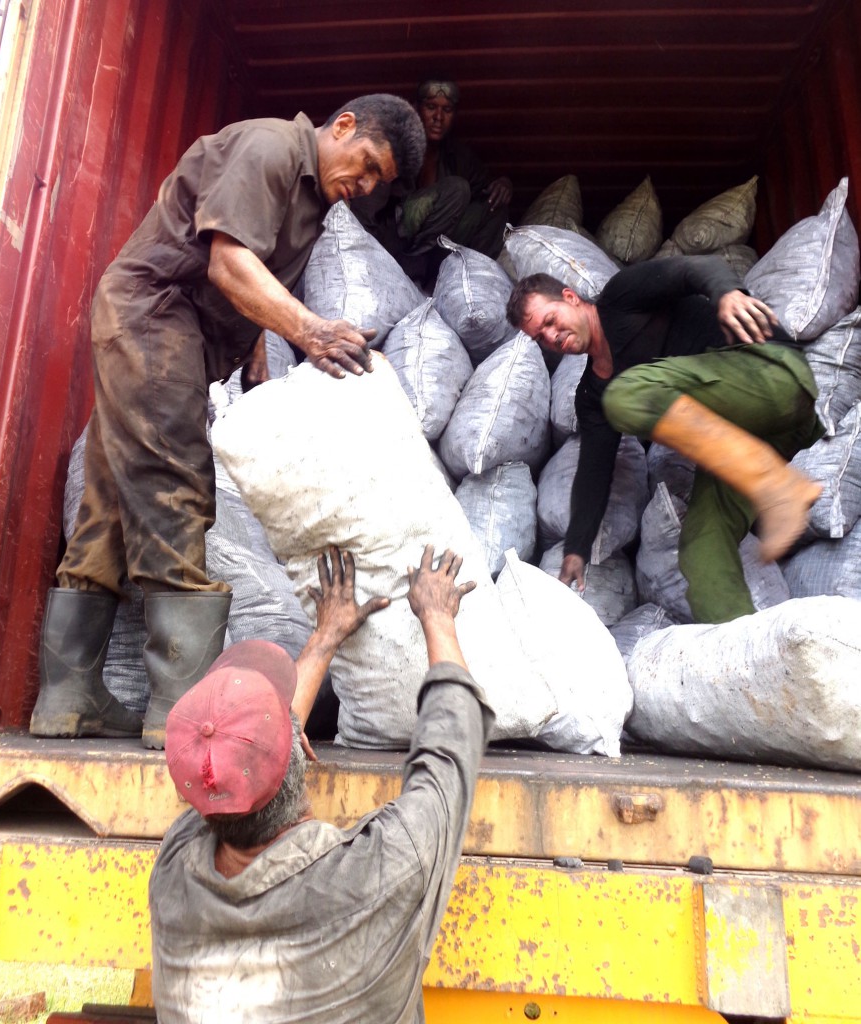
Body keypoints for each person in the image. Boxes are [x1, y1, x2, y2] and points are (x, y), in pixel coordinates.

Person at [29, 95, 426, 748]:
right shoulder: (272, 150)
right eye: (369, 165)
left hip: (171, 331)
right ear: (345, 127)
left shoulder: (313, 199)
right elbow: (227, 262)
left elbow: (255, 277)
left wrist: (259, 355)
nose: (366, 185)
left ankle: (68, 699)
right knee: (174, 488)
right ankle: (178, 710)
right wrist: (313, 330)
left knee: (107, 505)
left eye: (378, 181)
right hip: (156, 317)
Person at [149, 544, 492, 1023]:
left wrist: (327, 636)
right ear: (306, 749)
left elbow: (241, 762)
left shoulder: (172, 874)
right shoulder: (380, 871)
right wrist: (437, 615)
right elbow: (450, 749)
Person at [506, 257, 824, 624]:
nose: (551, 336)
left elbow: (693, 268)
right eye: (540, 337)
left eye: (550, 320)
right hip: (756, 440)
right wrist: (575, 551)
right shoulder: (592, 395)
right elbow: (594, 473)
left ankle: (775, 486)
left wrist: (726, 293)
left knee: (626, 394)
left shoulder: (622, 297)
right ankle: (746, 658)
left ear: (570, 298)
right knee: (700, 551)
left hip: (771, 379)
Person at [352, 79, 512, 286]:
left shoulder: (458, 155)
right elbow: (367, 210)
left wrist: (505, 183)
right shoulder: (397, 147)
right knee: (457, 189)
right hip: (395, 243)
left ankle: (470, 280)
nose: (438, 117)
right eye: (431, 108)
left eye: (447, 110)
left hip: (437, 251)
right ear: (416, 108)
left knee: (494, 207)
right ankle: (414, 274)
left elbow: (485, 188)